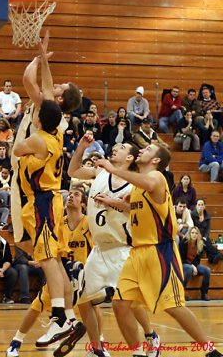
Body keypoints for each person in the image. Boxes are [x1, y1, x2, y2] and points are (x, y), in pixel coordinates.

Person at [95, 143, 223, 357]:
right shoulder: (139, 187)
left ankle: (210, 351)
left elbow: (145, 182)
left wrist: (112, 168)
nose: (142, 150)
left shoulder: (157, 178)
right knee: (119, 303)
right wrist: (112, 202)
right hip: (136, 253)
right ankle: (138, 351)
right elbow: (136, 211)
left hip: (160, 252)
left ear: (156, 160)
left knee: (173, 306)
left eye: (148, 149)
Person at [67, 138, 160, 357]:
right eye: (115, 146)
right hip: (99, 250)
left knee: (130, 302)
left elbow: (141, 212)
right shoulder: (99, 173)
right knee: (83, 300)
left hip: (122, 249)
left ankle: (150, 335)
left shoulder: (136, 183)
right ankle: (97, 349)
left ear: (129, 158)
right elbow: (73, 171)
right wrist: (81, 147)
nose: (115, 148)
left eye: (121, 148)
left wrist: (113, 202)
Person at [12, 99, 84, 349]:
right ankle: (70, 316)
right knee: (51, 260)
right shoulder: (57, 135)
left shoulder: (38, 140)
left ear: (39, 119)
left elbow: (16, 149)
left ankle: (59, 315)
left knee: (48, 259)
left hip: (42, 201)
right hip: (44, 200)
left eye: (35, 113)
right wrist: (40, 61)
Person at [10, 31, 81, 253]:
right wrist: (41, 60)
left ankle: (55, 278)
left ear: (60, 99)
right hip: (34, 178)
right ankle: (54, 277)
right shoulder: (51, 112)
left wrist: (38, 59)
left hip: (32, 180)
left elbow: (28, 80)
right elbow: (42, 83)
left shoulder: (47, 108)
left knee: (29, 242)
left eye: (61, 86)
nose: (56, 84)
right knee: (26, 240)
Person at [6, 187, 91, 357]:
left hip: (81, 275)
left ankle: (98, 345)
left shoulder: (88, 224)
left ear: (83, 204)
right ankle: (16, 342)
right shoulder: (59, 220)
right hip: (60, 272)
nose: (71, 196)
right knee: (36, 306)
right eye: (71, 193)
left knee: (91, 308)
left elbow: (96, 252)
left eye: (76, 195)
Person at [179, 226, 211, 301]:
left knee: (207, 270)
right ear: (189, 234)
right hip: (184, 264)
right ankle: (180, 294)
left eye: (196, 233)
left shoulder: (199, 244)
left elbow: (197, 260)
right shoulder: (184, 242)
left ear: (198, 235)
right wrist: (192, 266)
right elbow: (182, 259)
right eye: (192, 233)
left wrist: (195, 266)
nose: (194, 235)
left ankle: (204, 293)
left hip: (193, 265)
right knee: (189, 268)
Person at [191, 199, 223, 264]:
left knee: (206, 241)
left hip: (204, 235)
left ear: (204, 206)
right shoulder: (192, 214)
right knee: (206, 244)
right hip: (196, 235)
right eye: (199, 205)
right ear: (196, 206)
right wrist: (199, 237)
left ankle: (212, 258)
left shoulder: (208, 215)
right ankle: (217, 254)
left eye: (202, 205)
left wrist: (205, 237)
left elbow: (208, 228)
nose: (200, 206)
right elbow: (192, 227)